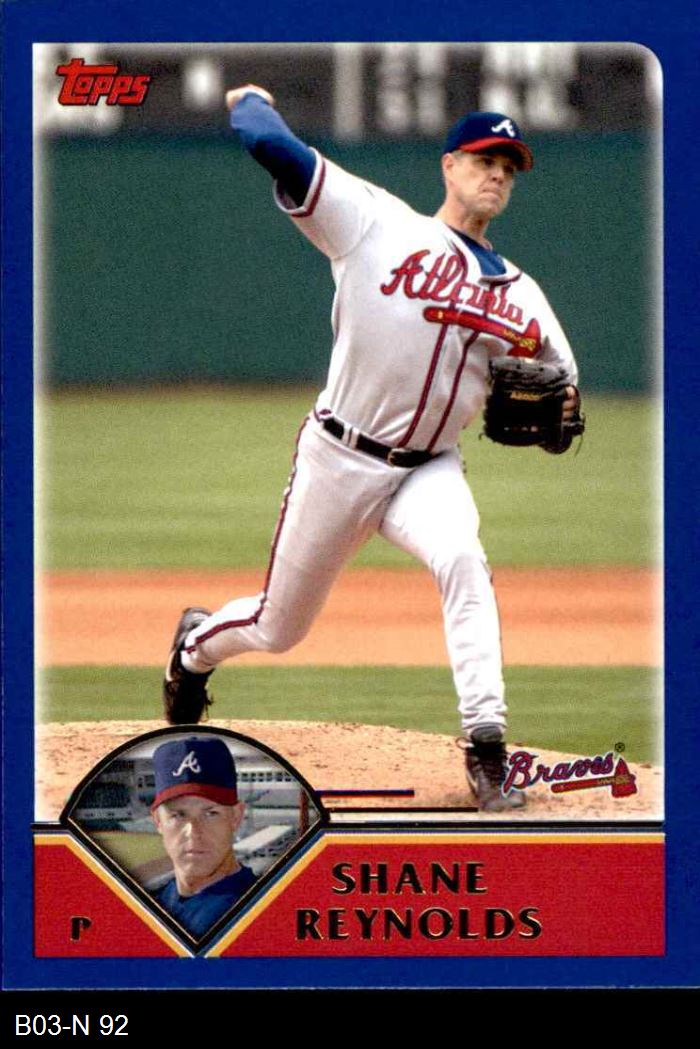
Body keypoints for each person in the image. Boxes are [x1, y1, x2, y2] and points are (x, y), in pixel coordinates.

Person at [162, 85, 582, 812]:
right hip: (340, 456)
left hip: (429, 468)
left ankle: (487, 751)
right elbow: (271, 144)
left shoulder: (522, 295)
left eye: (509, 167)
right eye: (485, 159)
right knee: (278, 626)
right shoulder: (375, 222)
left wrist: (559, 414)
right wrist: (253, 98)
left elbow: (563, 394)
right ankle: (194, 647)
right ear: (449, 165)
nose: (497, 175)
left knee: (463, 559)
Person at [150, 735, 256, 936]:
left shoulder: (260, 908)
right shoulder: (157, 900)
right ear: (158, 821)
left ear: (236, 816)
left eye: (210, 814)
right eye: (178, 815)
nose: (193, 832)